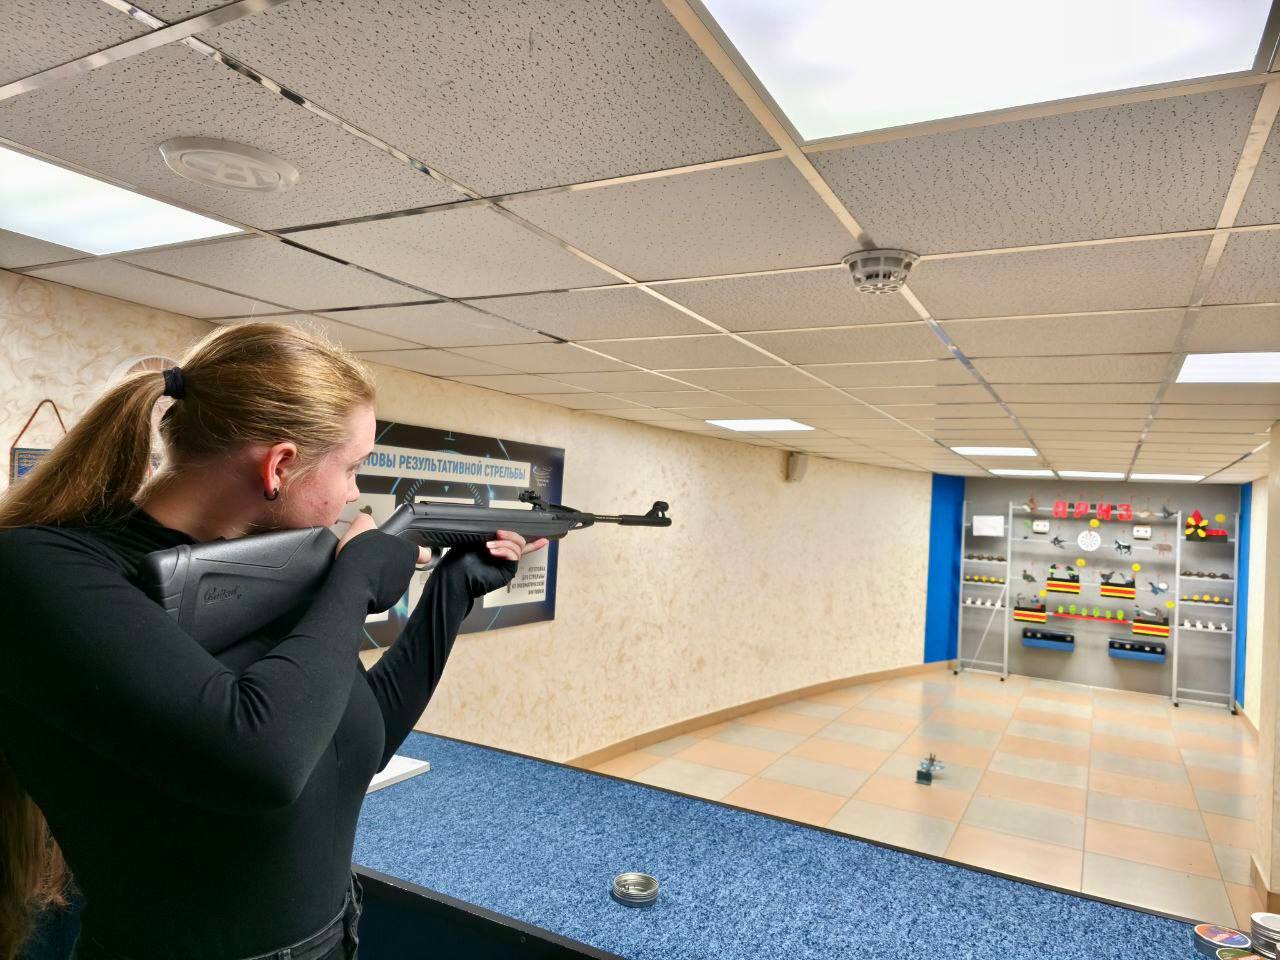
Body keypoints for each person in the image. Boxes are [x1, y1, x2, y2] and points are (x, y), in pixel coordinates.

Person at [0, 321, 548, 960]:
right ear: (280, 465)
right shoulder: (45, 570)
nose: (354, 494)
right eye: (352, 468)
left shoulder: (270, 571)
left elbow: (351, 745)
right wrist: (354, 579)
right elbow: (259, 758)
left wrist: (450, 594)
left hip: (335, 937)